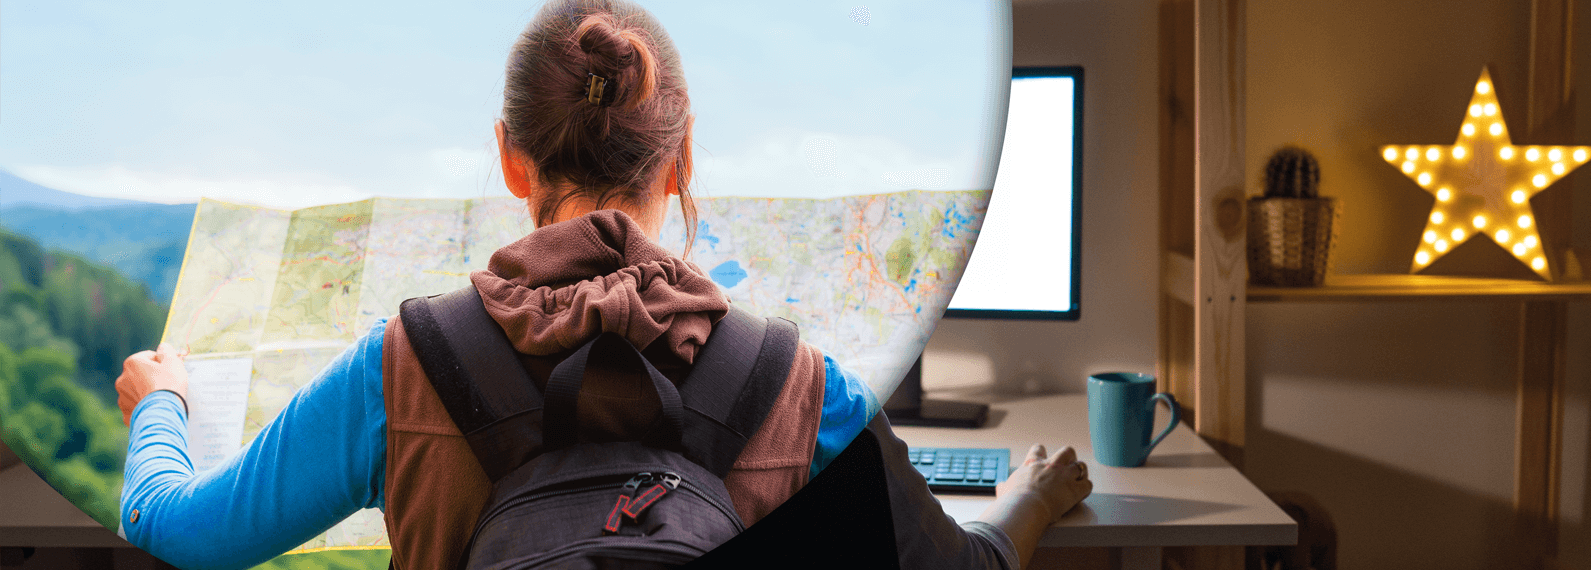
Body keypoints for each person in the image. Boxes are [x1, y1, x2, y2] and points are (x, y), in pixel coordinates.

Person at [114, 1, 1091, 569]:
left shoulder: (400, 369)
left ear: (508, 158)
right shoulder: (807, 391)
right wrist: (1035, 500)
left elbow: (176, 532)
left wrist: (161, 404)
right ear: (681, 160)